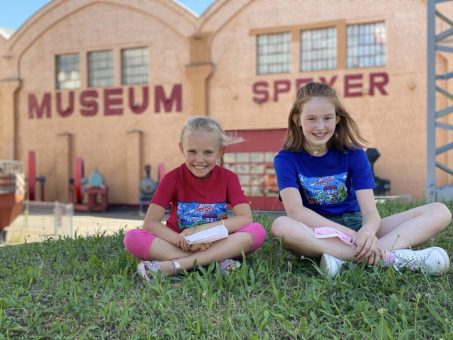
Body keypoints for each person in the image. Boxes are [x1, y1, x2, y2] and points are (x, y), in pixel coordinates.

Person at [271, 82, 451, 277]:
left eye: (327, 118)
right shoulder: (285, 159)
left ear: (338, 118)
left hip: (355, 222)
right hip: (316, 231)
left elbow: (370, 212)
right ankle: (390, 257)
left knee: (439, 211)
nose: (320, 126)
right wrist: (352, 236)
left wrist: (366, 232)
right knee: (282, 226)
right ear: (297, 119)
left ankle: (347, 260)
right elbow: (296, 211)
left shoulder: (354, 154)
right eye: (311, 119)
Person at [124, 116, 266, 280]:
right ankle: (216, 261)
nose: (200, 160)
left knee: (256, 230)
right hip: (181, 245)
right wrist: (185, 241)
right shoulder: (172, 178)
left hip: (218, 242)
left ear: (220, 151)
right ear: (181, 148)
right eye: (192, 151)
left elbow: (245, 218)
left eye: (208, 152)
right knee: (133, 238)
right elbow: (150, 223)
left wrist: (199, 230)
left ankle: (177, 266)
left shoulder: (228, 178)